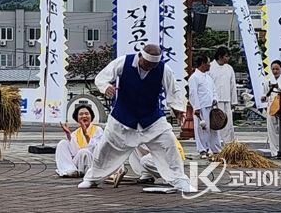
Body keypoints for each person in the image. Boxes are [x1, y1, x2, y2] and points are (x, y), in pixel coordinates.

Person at [78, 44, 194, 192]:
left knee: (168, 143)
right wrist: (106, 87)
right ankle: (92, 178)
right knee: (105, 148)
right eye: (147, 64)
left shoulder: (163, 69)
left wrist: (177, 109)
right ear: (140, 56)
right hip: (122, 117)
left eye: (153, 65)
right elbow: (102, 77)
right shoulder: (123, 62)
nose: (150, 68)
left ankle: (179, 180)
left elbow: (173, 91)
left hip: (151, 118)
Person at [55, 104, 103, 177]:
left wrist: (86, 134)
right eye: (81, 114)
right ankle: (69, 170)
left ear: (91, 117)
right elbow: (74, 152)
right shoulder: (75, 133)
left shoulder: (98, 130)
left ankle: (86, 172)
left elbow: (97, 149)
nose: (84, 116)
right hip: (78, 163)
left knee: (84, 151)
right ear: (77, 118)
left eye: (86, 114)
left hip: (92, 162)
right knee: (62, 143)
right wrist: (68, 134)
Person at [189, 55, 221, 159]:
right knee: (201, 129)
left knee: (214, 128)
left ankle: (216, 149)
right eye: (208, 63)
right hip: (201, 107)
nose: (209, 65)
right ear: (203, 63)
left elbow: (214, 90)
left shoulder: (208, 77)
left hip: (211, 106)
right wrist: (196, 107)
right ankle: (203, 149)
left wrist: (215, 99)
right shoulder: (194, 77)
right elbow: (193, 93)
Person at [207, 46, 237, 143]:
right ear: (220, 56)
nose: (228, 58)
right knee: (216, 123)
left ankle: (228, 143)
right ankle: (215, 143)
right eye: (226, 56)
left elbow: (232, 85)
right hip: (214, 101)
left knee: (227, 123)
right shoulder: (210, 67)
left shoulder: (229, 68)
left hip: (227, 100)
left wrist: (234, 101)